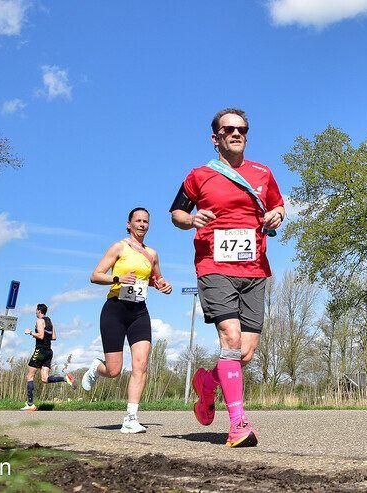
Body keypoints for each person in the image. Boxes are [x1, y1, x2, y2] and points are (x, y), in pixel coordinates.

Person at [169, 108, 285, 447]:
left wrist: (277, 214)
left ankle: (207, 383)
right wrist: (190, 220)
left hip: (255, 268)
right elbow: (176, 212)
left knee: (245, 353)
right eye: (229, 129)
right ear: (215, 136)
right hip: (213, 264)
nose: (236, 133)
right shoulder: (199, 175)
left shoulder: (263, 172)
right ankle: (238, 423)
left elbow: (278, 206)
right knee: (230, 338)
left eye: (242, 129)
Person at [82, 207, 173, 433]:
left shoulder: (152, 254)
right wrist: (118, 278)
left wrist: (163, 285)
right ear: (129, 224)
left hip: (139, 312)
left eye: (145, 221)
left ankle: (131, 418)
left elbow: (157, 279)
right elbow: (95, 275)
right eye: (138, 221)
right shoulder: (119, 247)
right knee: (114, 370)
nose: (142, 224)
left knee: (140, 365)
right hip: (115, 310)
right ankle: (97, 368)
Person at [20, 303, 76, 411]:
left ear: (38, 310)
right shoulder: (50, 322)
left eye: (36, 310)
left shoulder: (40, 321)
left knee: (29, 376)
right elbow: (54, 337)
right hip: (49, 351)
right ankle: (65, 379)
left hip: (40, 350)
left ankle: (30, 404)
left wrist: (30, 332)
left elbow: (40, 335)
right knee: (45, 379)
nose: (35, 312)